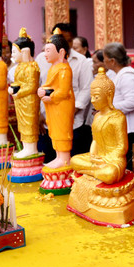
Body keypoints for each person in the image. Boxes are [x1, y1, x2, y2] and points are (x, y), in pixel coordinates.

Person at [36, 23, 93, 158]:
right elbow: (36, 86)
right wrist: (37, 113)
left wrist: (72, 110)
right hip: (46, 120)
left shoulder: (80, 61)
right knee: (49, 159)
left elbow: (86, 89)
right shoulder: (41, 58)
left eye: (67, 40)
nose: (63, 43)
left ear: (72, 40)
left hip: (72, 120)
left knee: (69, 159)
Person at [38, 30, 75, 169]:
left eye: (48, 50)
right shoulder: (54, 68)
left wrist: (49, 96)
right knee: (54, 131)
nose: (45, 54)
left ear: (61, 52)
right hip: (54, 106)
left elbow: (64, 92)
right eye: (45, 50)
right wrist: (43, 91)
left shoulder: (64, 69)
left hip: (62, 106)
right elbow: (51, 86)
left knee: (62, 131)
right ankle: (59, 156)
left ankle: (65, 158)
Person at [103, 42, 134, 170]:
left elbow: (132, 102)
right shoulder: (118, 75)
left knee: (131, 166)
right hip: (125, 127)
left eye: (105, 59)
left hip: (132, 128)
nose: (104, 62)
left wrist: (108, 108)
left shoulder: (127, 76)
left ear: (113, 61)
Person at [9, 28, 40, 159]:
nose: (13, 55)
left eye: (15, 52)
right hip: (20, 100)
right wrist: (13, 88)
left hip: (29, 100)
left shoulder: (32, 67)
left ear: (25, 51)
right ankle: (26, 147)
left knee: (29, 123)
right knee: (22, 124)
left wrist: (19, 93)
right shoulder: (18, 67)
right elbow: (19, 83)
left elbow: (32, 86)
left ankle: (31, 148)